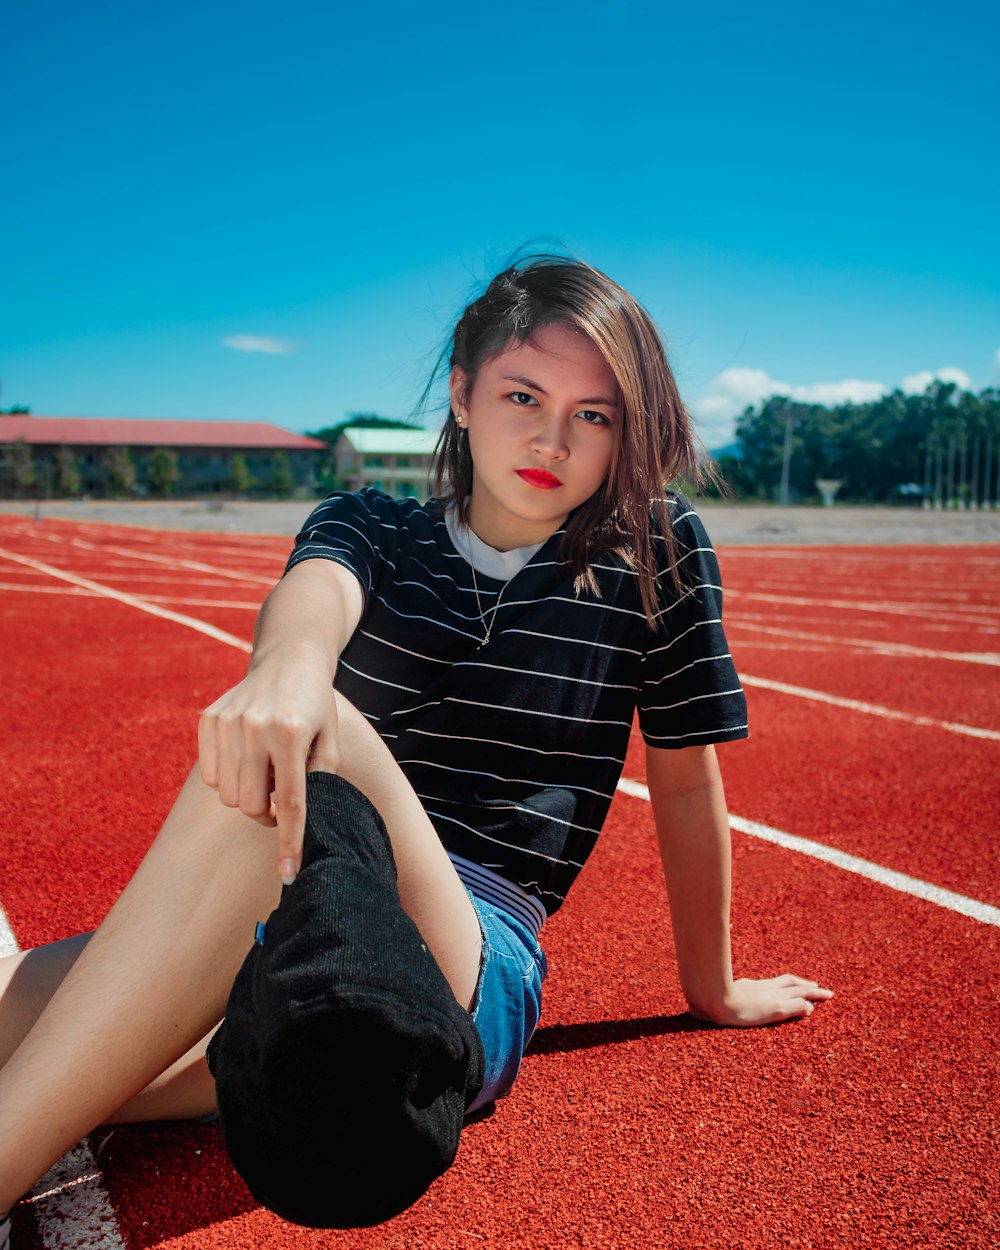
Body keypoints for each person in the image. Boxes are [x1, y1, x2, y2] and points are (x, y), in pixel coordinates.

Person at [0, 256, 833, 1241]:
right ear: (463, 393)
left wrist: (713, 986)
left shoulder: (654, 550)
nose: (552, 438)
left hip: (465, 953)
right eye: (523, 394)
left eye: (595, 414)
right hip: (285, 915)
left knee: (313, 742)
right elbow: (313, 599)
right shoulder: (371, 524)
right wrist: (289, 662)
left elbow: (688, 780)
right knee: (37, 1031)